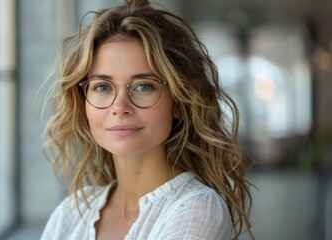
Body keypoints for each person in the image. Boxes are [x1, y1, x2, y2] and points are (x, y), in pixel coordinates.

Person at [40, 0, 253, 239]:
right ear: (84, 101)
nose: (120, 107)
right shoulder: (72, 212)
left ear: (179, 103)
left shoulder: (196, 210)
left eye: (143, 86)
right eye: (102, 87)